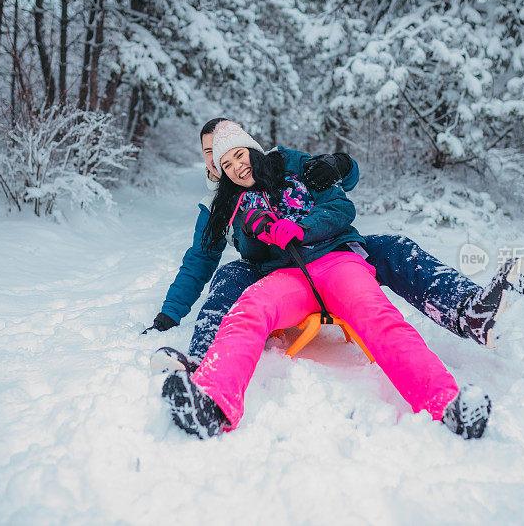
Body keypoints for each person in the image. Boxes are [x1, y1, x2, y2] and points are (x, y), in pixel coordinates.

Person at [161, 121, 493, 440]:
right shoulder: (227, 204)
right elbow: (204, 258)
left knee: (379, 313)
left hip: (337, 260)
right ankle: (212, 401)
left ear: (252, 148)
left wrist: (336, 169)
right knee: (249, 307)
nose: (233, 165)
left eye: (238, 154)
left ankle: (446, 400)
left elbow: (339, 200)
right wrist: (170, 312)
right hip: (286, 274)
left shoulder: (288, 166)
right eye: (219, 159)